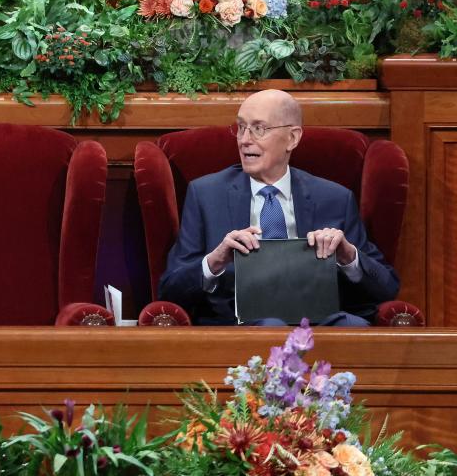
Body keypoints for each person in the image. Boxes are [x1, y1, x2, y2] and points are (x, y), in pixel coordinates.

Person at [158, 89, 398, 326]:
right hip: (241, 326)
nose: (244, 140)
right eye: (241, 127)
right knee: (271, 326)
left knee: (352, 326)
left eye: (258, 129)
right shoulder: (206, 195)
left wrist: (348, 256)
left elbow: (387, 287)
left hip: (318, 324)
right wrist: (215, 261)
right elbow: (170, 289)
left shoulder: (334, 198)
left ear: (292, 138)